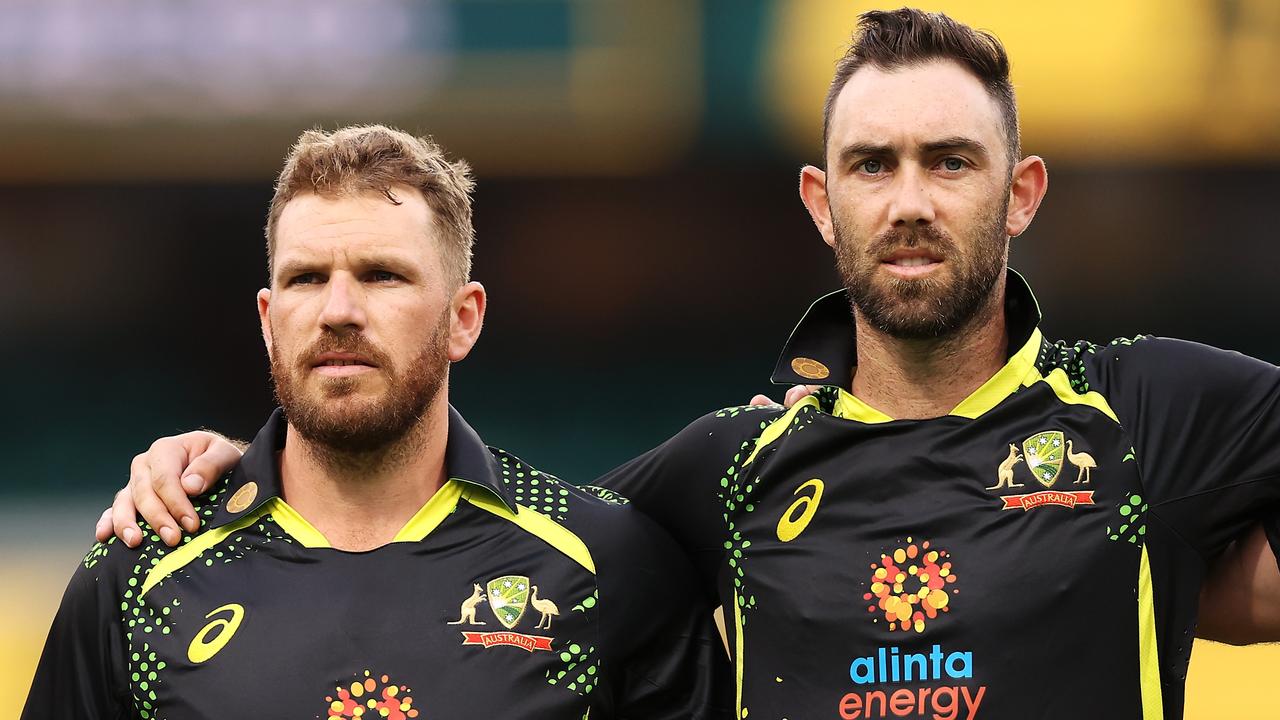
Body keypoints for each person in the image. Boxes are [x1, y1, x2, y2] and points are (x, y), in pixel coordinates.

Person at [97, 9, 1280, 720]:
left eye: (949, 161)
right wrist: (230, 471)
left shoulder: (1149, 410)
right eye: (872, 164)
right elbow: (462, 538)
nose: (909, 201)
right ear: (821, 202)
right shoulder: (724, 470)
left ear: (1018, 192)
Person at [23, 126, 727, 719]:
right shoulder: (139, 577)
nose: (338, 311)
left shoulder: (611, 567)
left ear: (463, 318)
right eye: (305, 278)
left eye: (382, 275)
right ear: (269, 323)